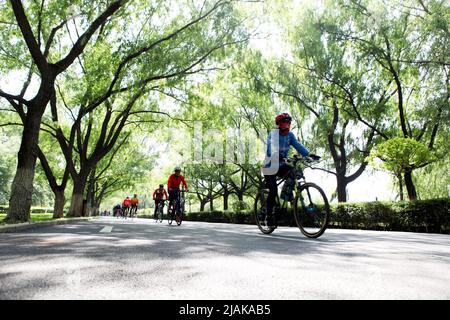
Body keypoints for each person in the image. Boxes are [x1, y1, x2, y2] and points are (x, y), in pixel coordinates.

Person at [263, 112, 319, 227]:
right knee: (273, 192)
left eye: (289, 122)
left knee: (295, 172)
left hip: (281, 164)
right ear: (279, 124)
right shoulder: (273, 134)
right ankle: (268, 217)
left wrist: (309, 155)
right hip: (269, 166)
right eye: (285, 122)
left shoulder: (290, 136)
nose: (287, 124)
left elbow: (298, 145)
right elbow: (270, 148)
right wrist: (275, 154)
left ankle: (287, 195)